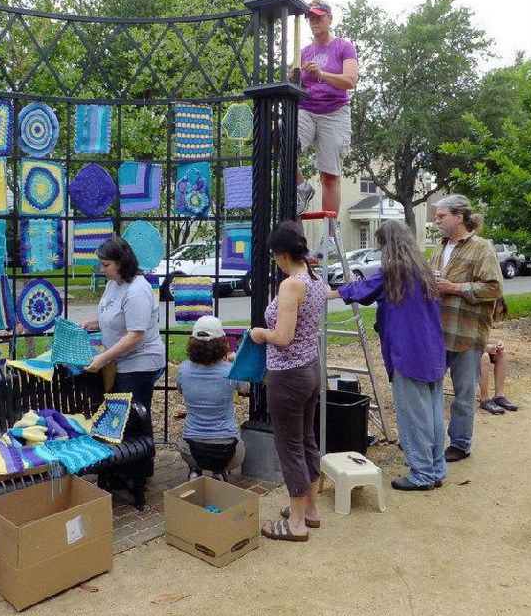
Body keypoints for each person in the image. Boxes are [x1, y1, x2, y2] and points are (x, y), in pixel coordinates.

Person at [327, 220, 447, 490]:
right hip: (432, 351)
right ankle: (436, 468)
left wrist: (329, 292)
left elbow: (362, 291)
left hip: (407, 353)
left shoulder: (394, 272)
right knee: (433, 413)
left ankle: (422, 474)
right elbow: (373, 290)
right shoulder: (423, 270)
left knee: (413, 415)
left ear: (387, 245)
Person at [249, 220, 324, 542]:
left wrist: (259, 333)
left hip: (288, 375)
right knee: (306, 441)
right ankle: (310, 510)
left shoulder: (291, 285)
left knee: (290, 447)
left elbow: (282, 337)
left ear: (280, 255)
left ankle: (296, 523)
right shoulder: (315, 279)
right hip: (310, 369)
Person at [430, 195, 504, 462]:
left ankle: (460, 444)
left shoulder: (482, 248)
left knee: (463, 394)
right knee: (431, 389)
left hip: (467, 334)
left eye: (441, 216)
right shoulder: (438, 248)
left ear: (459, 217)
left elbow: (494, 288)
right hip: (437, 333)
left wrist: (455, 288)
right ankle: (431, 441)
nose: (437, 221)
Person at [81, 237, 166, 437]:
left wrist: (103, 358)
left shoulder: (137, 291)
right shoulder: (114, 283)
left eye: (106, 265)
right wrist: (91, 324)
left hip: (139, 363)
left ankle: (141, 456)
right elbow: (115, 317)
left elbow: (135, 334)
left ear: (122, 262)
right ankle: (126, 456)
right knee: (121, 419)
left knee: (134, 418)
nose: (102, 270)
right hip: (120, 361)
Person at [295, 0, 358, 219]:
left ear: (330, 19)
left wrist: (321, 74)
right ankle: (301, 187)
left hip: (334, 112)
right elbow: (295, 83)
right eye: (311, 18)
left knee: (329, 177)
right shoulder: (303, 52)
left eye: (319, 17)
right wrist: (293, 77)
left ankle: (329, 233)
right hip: (306, 109)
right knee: (279, 140)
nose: (314, 21)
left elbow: (350, 81)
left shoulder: (344, 47)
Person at [175, 316, 245, 481]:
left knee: (184, 443)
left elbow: (180, 389)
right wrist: (235, 361)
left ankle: (195, 469)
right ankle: (219, 470)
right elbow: (245, 388)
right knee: (239, 443)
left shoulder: (184, 369)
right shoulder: (231, 371)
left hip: (192, 448)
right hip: (229, 449)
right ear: (222, 343)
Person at [479, 298, 518, 414]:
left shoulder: (486, 320)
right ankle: (484, 398)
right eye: (494, 313)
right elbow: (467, 340)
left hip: (478, 346)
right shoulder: (474, 316)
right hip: (466, 351)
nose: (494, 317)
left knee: (502, 354)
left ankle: (499, 395)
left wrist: (496, 343)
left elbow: (482, 338)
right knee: (484, 357)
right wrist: (485, 347)